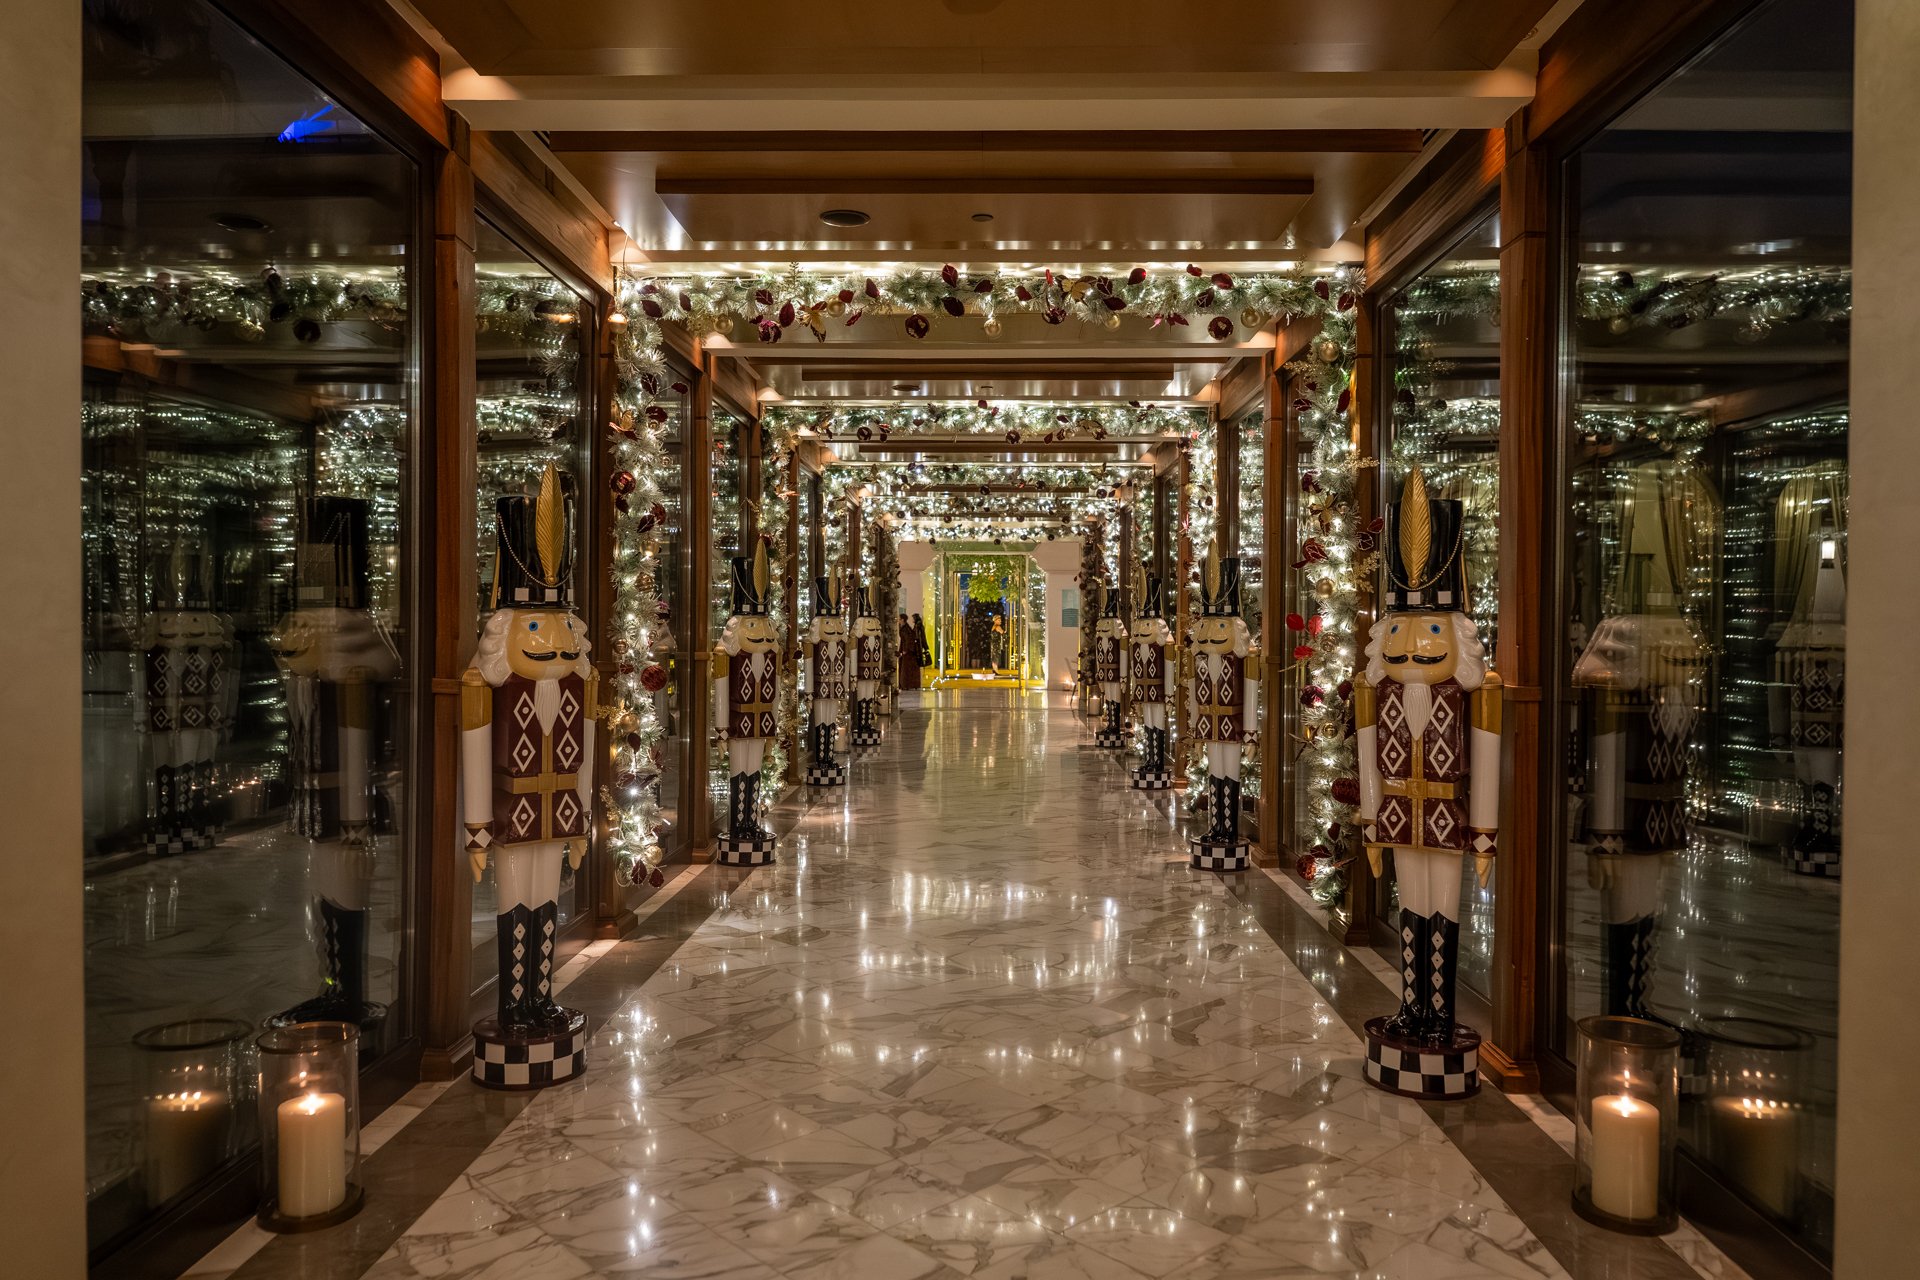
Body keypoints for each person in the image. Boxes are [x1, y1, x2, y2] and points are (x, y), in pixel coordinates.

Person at [897, 611, 922, 690]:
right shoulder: (905, 628)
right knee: (906, 668)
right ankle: (907, 684)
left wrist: (905, 650)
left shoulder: (905, 629)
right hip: (907, 651)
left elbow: (907, 640)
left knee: (906, 668)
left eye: (899, 619)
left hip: (908, 652)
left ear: (902, 620)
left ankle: (906, 684)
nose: (898, 620)